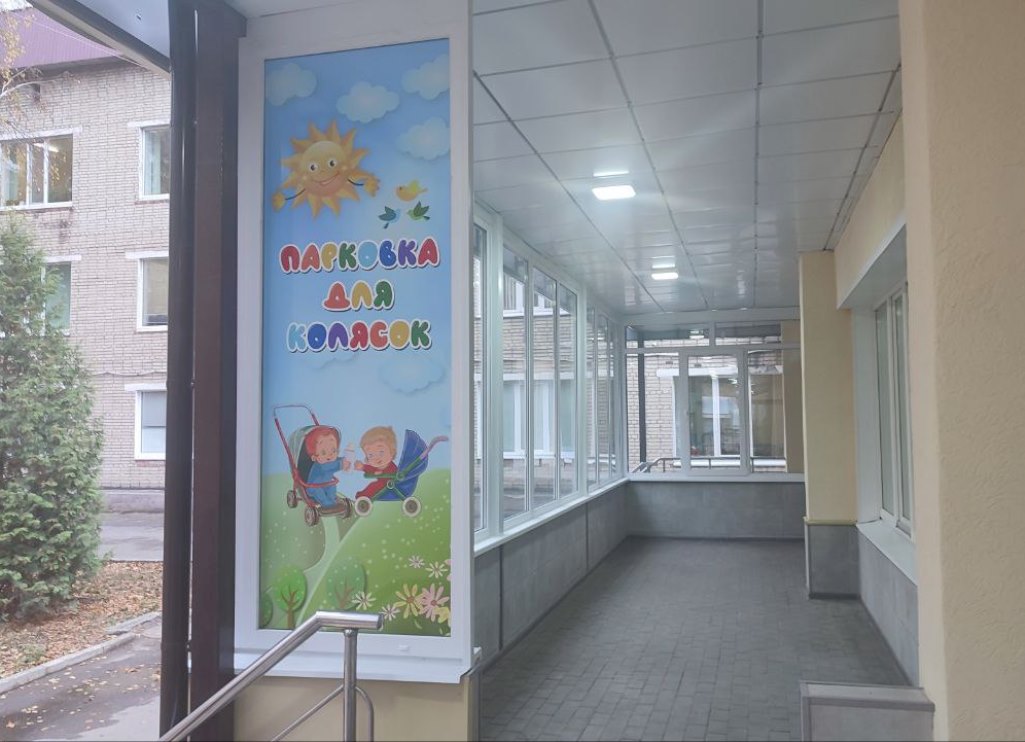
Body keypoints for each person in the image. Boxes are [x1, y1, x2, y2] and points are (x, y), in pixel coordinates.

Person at [349, 425, 398, 500]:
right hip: (383, 487)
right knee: (374, 486)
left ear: (392, 451)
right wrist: (362, 467)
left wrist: (381, 474)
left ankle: (363, 498)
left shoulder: (392, 467)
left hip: (390, 487)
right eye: (370, 455)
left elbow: (394, 475)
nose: (376, 458)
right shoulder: (379, 467)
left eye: (381, 452)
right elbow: (371, 469)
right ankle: (362, 497)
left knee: (374, 486)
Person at [304, 426, 343, 507]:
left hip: (327, 483)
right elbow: (328, 467)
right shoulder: (320, 465)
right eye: (323, 453)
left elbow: (338, 460)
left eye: (333, 450)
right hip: (314, 486)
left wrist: (347, 460)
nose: (330, 455)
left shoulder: (332, 460)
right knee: (320, 492)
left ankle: (332, 500)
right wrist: (341, 464)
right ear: (314, 457)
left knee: (332, 486)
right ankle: (326, 504)